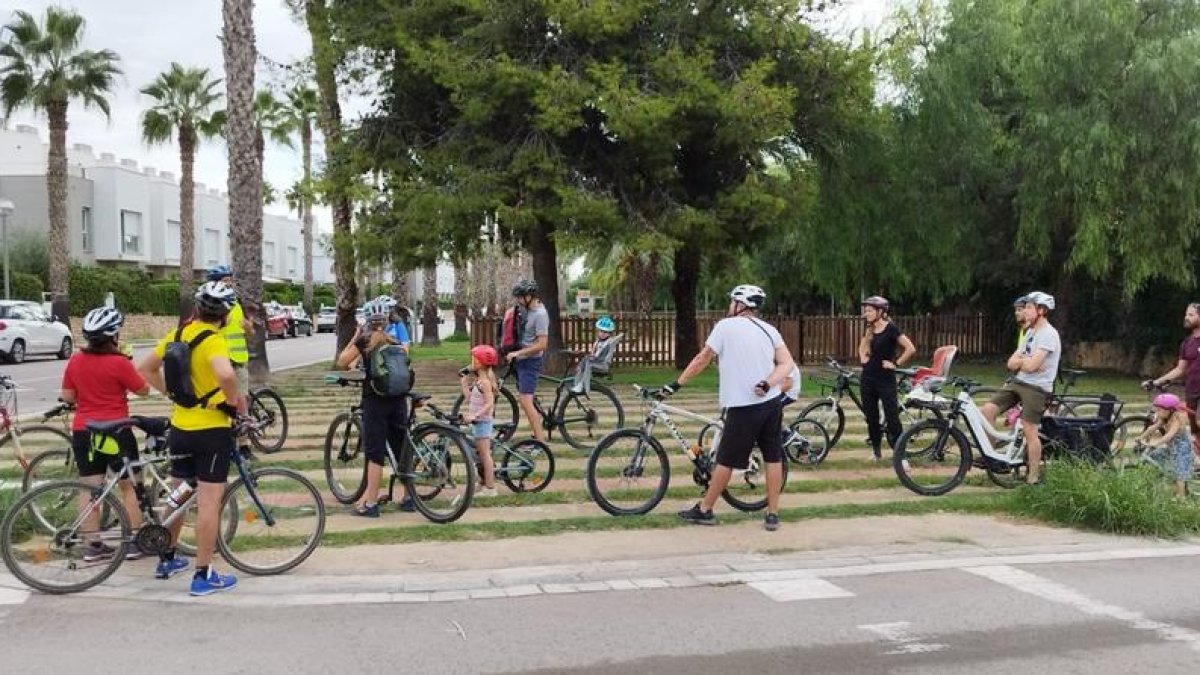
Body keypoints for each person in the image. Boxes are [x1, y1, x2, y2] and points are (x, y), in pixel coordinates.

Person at [138, 282, 244, 595]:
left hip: (180, 429)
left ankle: (167, 558)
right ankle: (203, 574)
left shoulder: (177, 335)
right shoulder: (213, 341)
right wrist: (232, 403)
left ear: (197, 309)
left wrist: (172, 394)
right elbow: (225, 375)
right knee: (210, 503)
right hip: (211, 431)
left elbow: (144, 368)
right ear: (224, 316)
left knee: (179, 494)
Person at [667, 284, 796, 531]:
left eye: (731, 302)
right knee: (773, 456)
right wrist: (768, 383)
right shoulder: (770, 330)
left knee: (725, 460)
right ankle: (772, 514)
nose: (729, 307)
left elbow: (702, 358)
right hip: (770, 404)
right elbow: (787, 363)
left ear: (740, 304)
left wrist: (677, 383)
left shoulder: (725, 326)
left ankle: (705, 509)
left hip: (743, 405)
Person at [60, 307, 151, 563]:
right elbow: (143, 390)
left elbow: (67, 396)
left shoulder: (75, 361)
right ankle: (134, 542)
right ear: (113, 336)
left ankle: (94, 546)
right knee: (130, 486)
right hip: (117, 431)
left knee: (89, 488)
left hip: (84, 431)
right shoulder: (120, 362)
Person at [336, 298, 411, 517]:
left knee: (375, 451)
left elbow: (342, 361)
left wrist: (355, 337)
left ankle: (371, 503)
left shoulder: (366, 340)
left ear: (368, 321)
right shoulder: (395, 341)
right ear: (387, 319)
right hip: (398, 398)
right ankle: (408, 497)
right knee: (401, 447)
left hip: (375, 401)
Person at [978, 291, 1060, 485]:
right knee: (986, 411)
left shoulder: (1049, 335)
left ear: (1041, 311)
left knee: (1029, 428)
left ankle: (1033, 476)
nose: (1026, 311)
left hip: (1037, 388)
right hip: (1020, 381)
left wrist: (1024, 362)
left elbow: (1031, 366)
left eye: (1030, 307)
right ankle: (991, 456)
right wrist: (1026, 362)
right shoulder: (1030, 332)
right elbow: (1011, 362)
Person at [857, 296, 917, 460]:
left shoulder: (891, 329)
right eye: (866, 310)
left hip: (885, 380)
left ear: (881, 311)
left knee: (892, 418)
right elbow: (862, 348)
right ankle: (876, 451)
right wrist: (863, 358)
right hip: (868, 378)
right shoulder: (869, 329)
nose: (866, 313)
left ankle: (900, 456)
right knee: (871, 417)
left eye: (869, 310)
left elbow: (910, 348)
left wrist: (895, 363)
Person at [206, 265, 252, 459]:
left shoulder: (236, 303)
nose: (230, 283)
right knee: (227, 401)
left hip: (238, 359)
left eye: (230, 280)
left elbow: (248, 327)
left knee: (241, 399)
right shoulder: (211, 306)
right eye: (226, 280)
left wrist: (248, 327)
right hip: (221, 360)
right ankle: (235, 443)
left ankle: (243, 444)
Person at [1143, 303, 1200, 458]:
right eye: (1186, 314)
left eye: (1191, 315)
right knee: (1195, 430)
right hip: (1192, 390)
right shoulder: (1186, 344)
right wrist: (1157, 381)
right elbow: (1180, 370)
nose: (1186, 317)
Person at [505, 279, 549, 442]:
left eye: (520, 297)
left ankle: (540, 443)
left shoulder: (540, 315)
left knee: (526, 402)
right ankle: (536, 433)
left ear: (529, 296)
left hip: (530, 362)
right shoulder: (528, 310)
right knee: (527, 401)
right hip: (522, 360)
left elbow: (542, 344)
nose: (518, 300)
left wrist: (518, 353)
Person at [1135, 393, 1194, 500]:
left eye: (1160, 410)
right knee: (1153, 456)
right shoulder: (1164, 417)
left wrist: (1156, 443)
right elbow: (1152, 428)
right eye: (1157, 409)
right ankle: (1166, 480)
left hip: (1182, 450)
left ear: (1170, 410)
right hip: (1172, 448)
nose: (1158, 412)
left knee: (1179, 474)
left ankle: (1181, 498)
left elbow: (1169, 435)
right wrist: (1141, 437)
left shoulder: (1177, 419)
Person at [461, 344, 499, 498]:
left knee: (485, 455)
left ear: (481, 362)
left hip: (482, 423)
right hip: (478, 422)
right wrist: (464, 384)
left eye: (474, 358)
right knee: (480, 454)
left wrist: (475, 416)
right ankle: (483, 482)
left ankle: (490, 488)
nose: (471, 361)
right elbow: (469, 399)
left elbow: (490, 404)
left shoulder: (485, 382)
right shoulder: (478, 381)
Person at [570, 315, 620, 394]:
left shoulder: (609, 342)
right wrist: (588, 355)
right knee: (582, 363)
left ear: (610, 333)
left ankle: (585, 387)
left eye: (605, 332)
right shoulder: (597, 342)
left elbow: (613, 343)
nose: (603, 333)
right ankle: (576, 384)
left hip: (603, 365)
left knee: (588, 364)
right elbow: (593, 354)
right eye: (601, 331)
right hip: (596, 362)